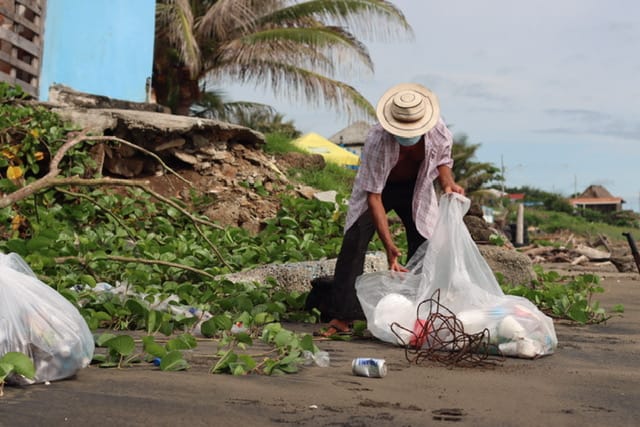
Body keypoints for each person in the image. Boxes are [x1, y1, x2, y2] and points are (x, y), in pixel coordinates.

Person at [322, 83, 465, 337]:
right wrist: (389, 246)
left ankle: (416, 309)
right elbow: (374, 197)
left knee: (424, 244)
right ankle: (342, 316)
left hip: (415, 188)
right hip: (381, 187)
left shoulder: (438, 132)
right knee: (355, 239)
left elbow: (442, 161)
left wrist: (448, 184)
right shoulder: (377, 140)